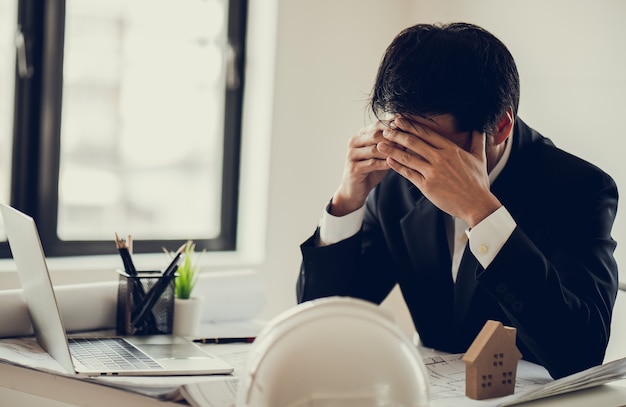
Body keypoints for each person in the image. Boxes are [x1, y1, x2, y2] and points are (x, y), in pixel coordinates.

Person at [297, 22, 619, 380]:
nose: (413, 159)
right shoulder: (393, 184)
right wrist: (347, 201)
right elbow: (322, 326)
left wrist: (482, 212)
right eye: (402, 135)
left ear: (500, 127)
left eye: (431, 145)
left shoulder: (579, 189)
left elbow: (582, 352)